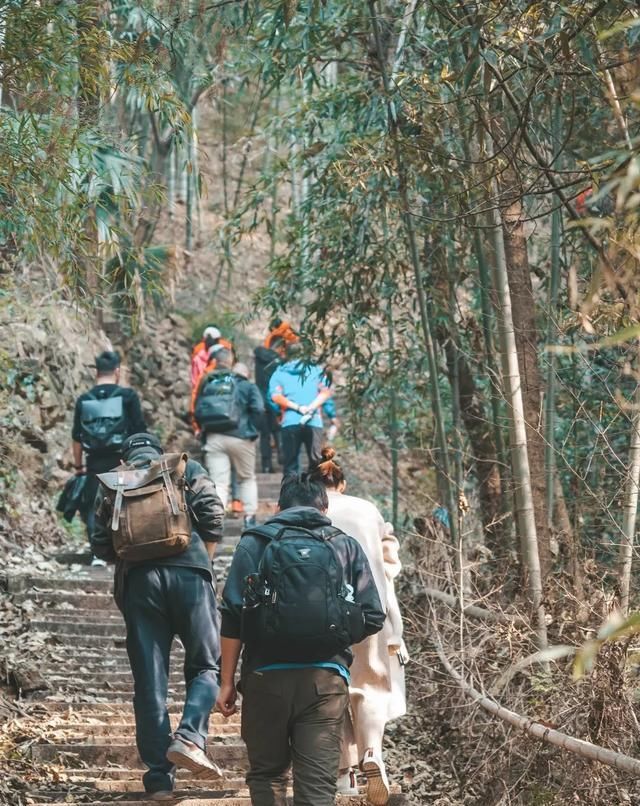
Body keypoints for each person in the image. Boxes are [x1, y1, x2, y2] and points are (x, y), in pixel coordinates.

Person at [216, 474, 386, 806]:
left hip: (264, 677)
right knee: (318, 786)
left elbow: (232, 615)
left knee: (267, 775)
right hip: (325, 681)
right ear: (324, 508)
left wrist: (226, 682)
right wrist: (335, 636)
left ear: (279, 507)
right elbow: (373, 615)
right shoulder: (343, 545)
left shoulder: (254, 542)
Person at [90, 432, 225, 801]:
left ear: (126, 455)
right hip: (191, 575)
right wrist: (202, 559)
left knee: (150, 682)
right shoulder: (183, 467)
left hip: (139, 584)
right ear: (157, 449)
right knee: (206, 666)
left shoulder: (112, 481)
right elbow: (213, 515)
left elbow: (99, 542)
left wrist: (134, 553)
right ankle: (190, 736)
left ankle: (159, 779)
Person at [309, 448, 407, 806]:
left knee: (333, 685)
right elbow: (390, 561)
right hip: (370, 611)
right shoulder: (367, 509)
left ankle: (343, 775)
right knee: (370, 687)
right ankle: (372, 755)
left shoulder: (309, 512)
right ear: (343, 482)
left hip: (321, 613)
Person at [71, 350, 146, 566]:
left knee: (96, 504)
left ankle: (98, 555)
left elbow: (76, 437)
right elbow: (139, 429)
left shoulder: (84, 400)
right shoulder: (128, 396)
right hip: (123, 460)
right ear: (117, 371)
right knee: (128, 502)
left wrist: (78, 467)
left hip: (94, 460)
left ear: (96, 373)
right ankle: (128, 548)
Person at [196, 348, 264, 529]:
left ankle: (216, 522)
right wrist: (253, 430)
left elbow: (197, 410)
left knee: (219, 482)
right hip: (241, 437)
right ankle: (249, 519)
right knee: (247, 478)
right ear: (232, 362)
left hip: (214, 437)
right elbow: (259, 410)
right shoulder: (245, 384)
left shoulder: (208, 381)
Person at [267, 342, 338, 476]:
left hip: (290, 421)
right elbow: (326, 393)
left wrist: (280, 413)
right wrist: (331, 415)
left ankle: (291, 495)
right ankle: (316, 494)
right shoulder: (316, 370)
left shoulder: (279, 373)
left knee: (290, 464)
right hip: (313, 420)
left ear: (287, 355)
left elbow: (273, 397)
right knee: (317, 463)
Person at [254, 337, 285, 473]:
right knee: (278, 430)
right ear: (279, 348)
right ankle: (282, 456)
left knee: (264, 434)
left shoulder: (259, 357)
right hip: (274, 399)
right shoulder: (280, 362)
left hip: (260, 401)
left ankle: (266, 466)